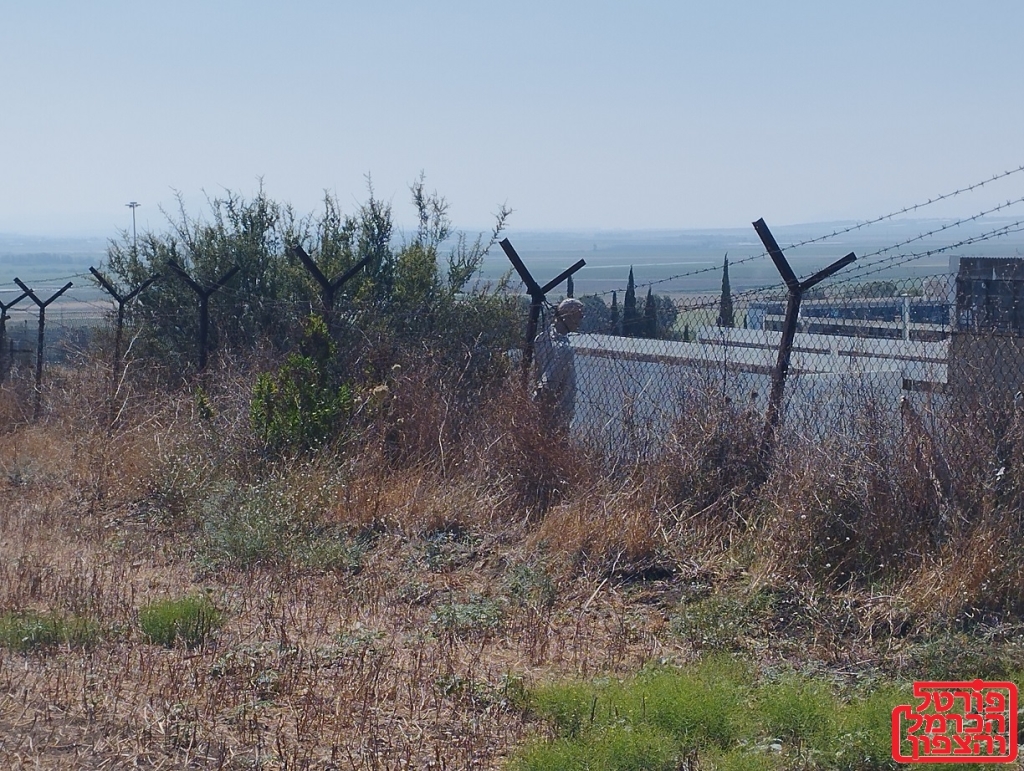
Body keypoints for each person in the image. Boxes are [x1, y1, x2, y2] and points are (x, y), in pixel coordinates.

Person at [533, 298, 584, 431]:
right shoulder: (564, 349)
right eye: (579, 316)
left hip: (540, 413)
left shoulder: (541, 338)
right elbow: (549, 383)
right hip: (556, 416)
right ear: (568, 315)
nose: (580, 322)